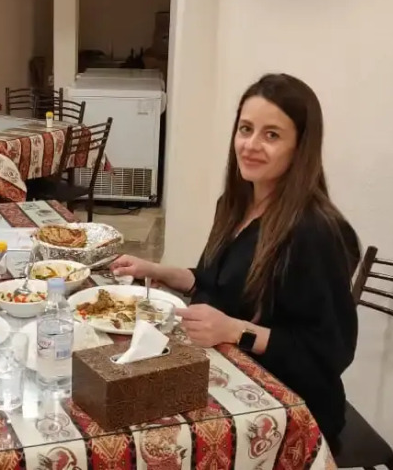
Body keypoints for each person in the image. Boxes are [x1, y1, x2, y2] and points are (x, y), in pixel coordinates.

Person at [110, 73, 360, 448]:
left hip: (291, 412)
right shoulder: (235, 205)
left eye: (271, 135)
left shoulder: (315, 232)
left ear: (300, 147)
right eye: (245, 129)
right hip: (226, 372)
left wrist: (235, 331)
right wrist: (157, 271)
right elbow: (219, 283)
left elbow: (328, 354)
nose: (251, 145)